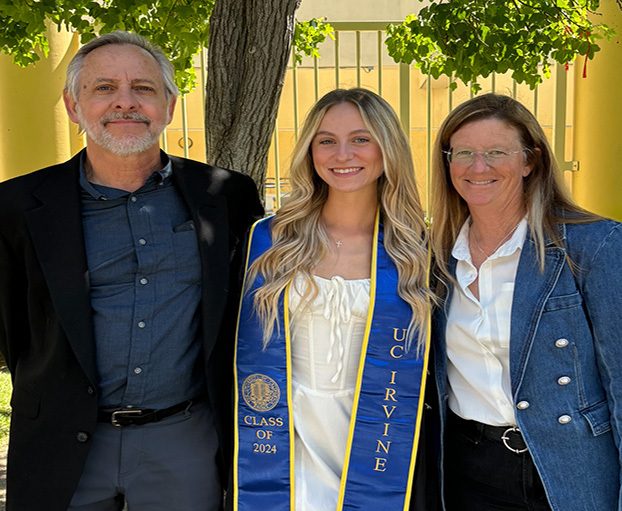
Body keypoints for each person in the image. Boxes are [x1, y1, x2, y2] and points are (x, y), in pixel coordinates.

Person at [0, 31, 263, 511]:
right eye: (103, 88)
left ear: (168, 104)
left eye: (143, 88)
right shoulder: (17, 206)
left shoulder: (227, 197)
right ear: (73, 106)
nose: (125, 102)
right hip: (61, 443)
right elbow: (15, 326)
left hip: (185, 440)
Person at [230, 88, 435, 511]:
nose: (343, 154)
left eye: (361, 139)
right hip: (285, 436)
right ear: (310, 151)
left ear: (387, 148)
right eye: (326, 140)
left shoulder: (417, 250)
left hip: (379, 436)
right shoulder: (268, 241)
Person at [429, 92, 622, 510]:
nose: (478, 167)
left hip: (570, 469)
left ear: (529, 161)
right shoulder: (435, 256)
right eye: (463, 153)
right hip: (467, 472)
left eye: (496, 151)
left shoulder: (592, 245)